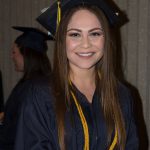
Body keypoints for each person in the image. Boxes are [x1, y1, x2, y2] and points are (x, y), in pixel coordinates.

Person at [14, 0, 139, 150]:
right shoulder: (41, 95)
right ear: (62, 40)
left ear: (105, 39)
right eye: (75, 34)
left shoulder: (122, 95)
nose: (85, 44)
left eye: (95, 33)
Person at [0, 26, 52, 150]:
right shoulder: (38, 82)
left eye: (14, 52)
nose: (12, 57)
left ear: (26, 54)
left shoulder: (34, 88)